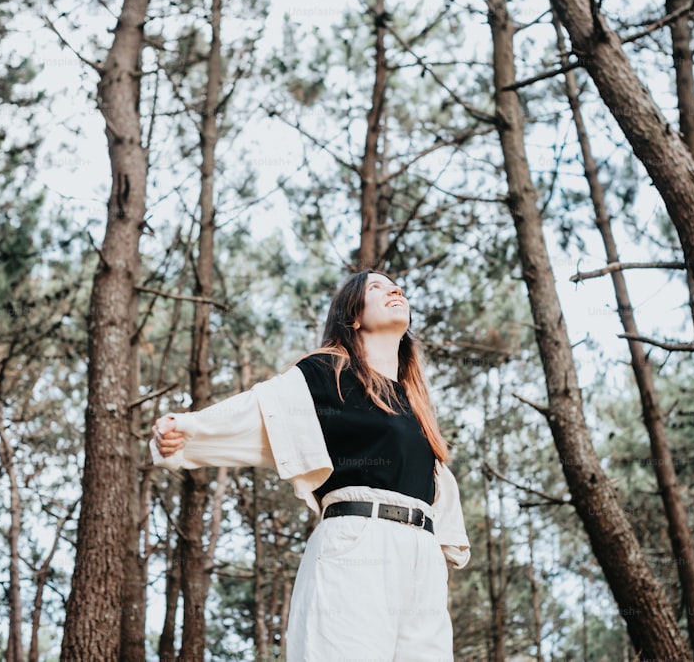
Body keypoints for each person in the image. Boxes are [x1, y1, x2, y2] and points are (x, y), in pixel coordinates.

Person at [151, 270, 470, 661]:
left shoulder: (415, 404)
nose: (394, 290)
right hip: (357, 546)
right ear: (352, 317)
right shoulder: (326, 373)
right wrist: (187, 431)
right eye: (377, 287)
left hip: (422, 560)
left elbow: (434, 480)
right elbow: (261, 409)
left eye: (395, 286)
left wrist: (444, 545)